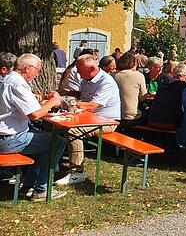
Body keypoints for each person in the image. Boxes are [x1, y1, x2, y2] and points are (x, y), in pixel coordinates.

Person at [0, 53, 68, 201]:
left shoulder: (7, 79)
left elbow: (27, 108)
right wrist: (53, 101)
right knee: (58, 142)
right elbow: (35, 114)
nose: (37, 75)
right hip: (9, 138)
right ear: (28, 68)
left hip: (7, 134)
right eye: (37, 70)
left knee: (42, 140)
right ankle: (41, 188)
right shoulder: (17, 83)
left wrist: (44, 101)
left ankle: (28, 185)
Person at [56, 54, 121, 186]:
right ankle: (54, 162)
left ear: (91, 69)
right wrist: (68, 92)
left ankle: (77, 171)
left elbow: (92, 105)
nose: (77, 72)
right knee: (53, 125)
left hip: (107, 121)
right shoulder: (86, 79)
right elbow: (84, 95)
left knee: (73, 130)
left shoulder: (106, 82)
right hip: (89, 118)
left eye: (79, 69)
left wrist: (65, 102)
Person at [147, 63, 186, 129]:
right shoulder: (182, 85)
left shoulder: (163, 83)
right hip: (170, 123)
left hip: (153, 120)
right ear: (180, 76)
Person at [114, 52, 148, 128]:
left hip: (115, 116)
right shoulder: (138, 75)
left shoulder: (112, 75)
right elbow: (143, 98)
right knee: (147, 115)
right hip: (132, 117)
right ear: (134, 64)